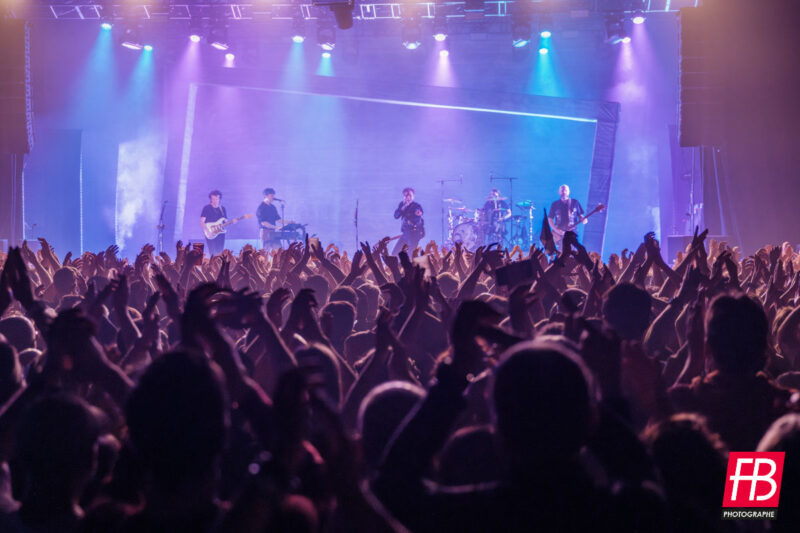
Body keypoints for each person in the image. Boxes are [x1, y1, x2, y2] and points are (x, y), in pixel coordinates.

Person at [548, 184, 585, 248]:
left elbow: (582, 217)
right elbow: (550, 219)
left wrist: (584, 220)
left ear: (569, 192)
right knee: (560, 251)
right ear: (559, 192)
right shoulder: (555, 204)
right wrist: (556, 230)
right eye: (562, 190)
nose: (564, 192)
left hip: (572, 233)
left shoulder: (575, 202)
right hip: (559, 234)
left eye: (566, 190)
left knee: (571, 252)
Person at [392, 187, 424, 255]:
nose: (408, 197)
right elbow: (396, 216)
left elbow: (418, 214)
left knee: (410, 254)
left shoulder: (416, 206)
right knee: (395, 253)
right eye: (406, 195)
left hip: (414, 233)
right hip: (405, 233)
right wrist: (403, 208)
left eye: (410, 195)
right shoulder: (402, 204)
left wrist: (418, 213)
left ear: (413, 196)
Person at [200, 190, 233, 256]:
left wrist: (231, 222)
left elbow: (225, 221)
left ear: (219, 199)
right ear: (211, 199)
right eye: (213, 199)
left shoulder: (222, 209)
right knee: (212, 253)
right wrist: (207, 231)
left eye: (217, 199)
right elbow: (202, 222)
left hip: (220, 233)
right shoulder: (206, 208)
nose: (215, 200)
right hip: (210, 232)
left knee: (220, 252)